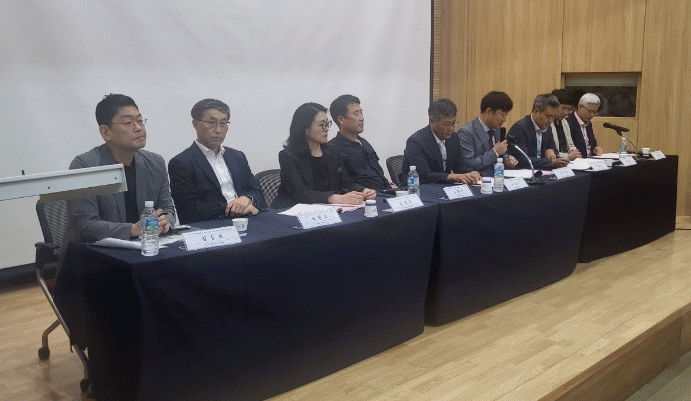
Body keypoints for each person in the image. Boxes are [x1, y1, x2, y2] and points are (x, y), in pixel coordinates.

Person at [64, 94, 175, 246]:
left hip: (145, 246)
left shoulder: (155, 163)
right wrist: (133, 229)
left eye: (140, 121)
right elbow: (85, 224)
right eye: (128, 123)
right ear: (106, 132)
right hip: (96, 253)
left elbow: (167, 209)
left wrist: (165, 221)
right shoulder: (85, 166)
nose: (139, 128)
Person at [168, 99, 266, 223]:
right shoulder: (181, 163)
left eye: (223, 123)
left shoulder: (237, 157)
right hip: (213, 225)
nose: (218, 130)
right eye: (211, 123)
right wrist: (234, 209)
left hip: (248, 220)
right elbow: (188, 211)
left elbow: (258, 193)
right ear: (195, 124)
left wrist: (247, 199)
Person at [273, 102, 376, 208]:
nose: (326, 128)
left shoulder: (332, 151)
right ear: (305, 129)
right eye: (321, 124)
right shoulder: (288, 156)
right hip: (291, 209)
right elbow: (299, 193)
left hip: (327, 209)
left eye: (327, 123)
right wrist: (333, 198)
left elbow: (346, 183)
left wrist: (362, 190)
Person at [402, 98, 481, 184]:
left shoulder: (453, 138)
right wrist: (453, 176)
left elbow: (460, 168)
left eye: (453, 123)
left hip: (443, 187)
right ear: (432, 121)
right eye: (447, 124)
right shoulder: (415, 142)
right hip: (420, 188)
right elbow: (425, 175)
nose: (451, 128)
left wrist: (471, 173)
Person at [328, 94, 394, 190]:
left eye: (361, 113)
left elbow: (377, 173)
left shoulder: (363, 142)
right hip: (366, 196)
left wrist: (389, 185)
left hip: (386, 192)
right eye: (356, 114)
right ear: (341, 119)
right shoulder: (333, 149)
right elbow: (344, 184)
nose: (361, 118)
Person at [457, 91, 518, 176]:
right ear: (489, 111)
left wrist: (507, 160)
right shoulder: (466, 132)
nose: (504, 120)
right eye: (502, 115)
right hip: (479, 180)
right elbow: (469, 164)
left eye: (506, 116)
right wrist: (494, 152)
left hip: (498, 178)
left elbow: (502, 154)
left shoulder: (497, 130)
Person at [507, 94, 570, 170]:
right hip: (525, 172)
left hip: (543, 170)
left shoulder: (547, 127)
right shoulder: (520, 128)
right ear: (535, 111)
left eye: (553, 117)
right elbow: (523, 160)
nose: (550, 121)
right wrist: (550, 163)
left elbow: (555, 151)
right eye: (548, 116)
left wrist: (551, 150)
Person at [565, 93, 604, 157]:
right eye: (590, 111)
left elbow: (592, 144)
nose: (592, 115)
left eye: (595, 112)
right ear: (580, 106)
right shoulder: (568, 122)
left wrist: (596, 148)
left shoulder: (588, 123)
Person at [550, 89, 581, 160]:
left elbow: (571, 145)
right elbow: (549, 151)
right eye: (563, 108)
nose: (566, 113)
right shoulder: (547, 123)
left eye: (569, 109)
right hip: (556, 160)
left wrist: (574, 152)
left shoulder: (564, 122)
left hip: (567, 160)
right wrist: (567, 156)